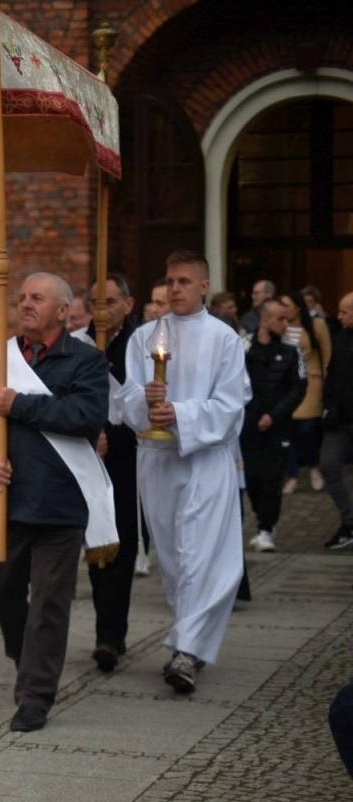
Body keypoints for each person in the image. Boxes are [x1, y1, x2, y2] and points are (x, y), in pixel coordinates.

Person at [0, 273, 111, 731]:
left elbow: (85, 416)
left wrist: (18, 404)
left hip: (60, 505)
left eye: (36, 298)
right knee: (1, 591)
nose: (25, 304)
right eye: (21, 297)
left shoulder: (86, 361)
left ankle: (35, 696)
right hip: (6, 502)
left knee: (48, 605)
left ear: (62, 310)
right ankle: (28, 658)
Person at [115, 250, 249, 694]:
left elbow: (230, 406)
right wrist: (146, 401)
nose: (175, 289)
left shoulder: (223, 339)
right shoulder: (144, 337)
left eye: (185, 281)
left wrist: (181, 414)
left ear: (204, 286)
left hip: (205, 458)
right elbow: (125, 398)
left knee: (203, 555)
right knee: (174, 557)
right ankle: (187, 642)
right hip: (158, 459)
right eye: (170, 281)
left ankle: (186, 652)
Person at [84, 272, 143, 672]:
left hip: (126, 457)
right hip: (89, 455)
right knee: (96, 545)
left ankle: (111, 632)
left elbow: (145, 400)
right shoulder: (80, 343)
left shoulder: (140, 344)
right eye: (94, 303)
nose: (101, 310)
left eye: (108, 302)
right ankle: (103, 628)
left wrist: (116, 438)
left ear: (127, 303)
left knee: (120, 546)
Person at [239, 298, 305, 553]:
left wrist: (274, 416)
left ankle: (265, 529)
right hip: (248, 425)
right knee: (252, 478)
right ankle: (262, 517)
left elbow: (298, 387)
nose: (286, 324)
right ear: (265, 320)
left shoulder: (291, 350)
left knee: (272, 478)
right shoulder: (243, 346)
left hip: (278, 426)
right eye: (281, 319)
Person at [279, 289, 333, 494]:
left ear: (297, 307)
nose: (283, 309)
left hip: (311, 382)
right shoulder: (281, 325)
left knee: (306, 429)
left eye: (286, 305)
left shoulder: (317, 325)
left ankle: (314, 467)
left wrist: (328, 384)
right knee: (289, 431)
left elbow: (327, 356)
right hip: (287, 385)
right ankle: (292, 476)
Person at [320, 291, 353, 551]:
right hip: (338, 421)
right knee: (329, 466)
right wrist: (329, 407)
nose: (339, 316)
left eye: (344, 312)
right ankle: (349, 521)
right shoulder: (340, 338)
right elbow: (332, 375)